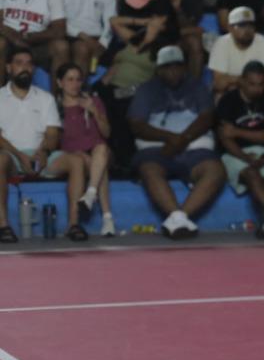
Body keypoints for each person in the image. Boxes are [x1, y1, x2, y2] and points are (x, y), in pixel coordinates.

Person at [128, 45, 226, 238]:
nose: (172, 71)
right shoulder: (147, 89)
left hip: (194, 147)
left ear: (184, 67)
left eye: (177, 66)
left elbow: (207, 117)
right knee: (149, 169)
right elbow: (136, 124)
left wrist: (183, 139)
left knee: (216, 170)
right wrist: (169, 138)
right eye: (167, 67)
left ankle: (179, 218)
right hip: (158, 148)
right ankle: (177, 216)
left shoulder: (197, 86)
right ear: (158, 69)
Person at [0, 49, 88, 242]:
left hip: (41, 154)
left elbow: (52, 133)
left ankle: (74, 224)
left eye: (29, 63)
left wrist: (44, 152)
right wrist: (20, 155)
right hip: (10, 156)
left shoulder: (45, 97)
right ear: (8, 68)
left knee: (76, 161)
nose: (25, 67)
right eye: (19, 62)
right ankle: (3, 226)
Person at [216, 60, 264, 237]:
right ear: (241, 81)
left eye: (260, 84)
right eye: (252, 84)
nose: (257, 89)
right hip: (235, 154)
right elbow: (225, 139)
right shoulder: (227, 101)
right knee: (251, 173)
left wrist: (237, 131)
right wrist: (246, 157)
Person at [53, 62, 117, 237]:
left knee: (101, 150)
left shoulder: (93, 101)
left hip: (98, 151)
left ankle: (90, 194)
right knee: (98, 166)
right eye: (70, 79)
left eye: (78, 80)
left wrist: (94, 111)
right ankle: (107, 217)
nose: (75, 84)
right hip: (73, 155)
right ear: (60, 82)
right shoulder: (54, 106)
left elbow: (107, 132)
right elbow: (55, 142)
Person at [208, 6, 264, 96]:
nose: (247, 30)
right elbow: (219, 83)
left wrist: (236, 81)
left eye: (251, 25)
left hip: (256, 91)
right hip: (230, 92)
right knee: (220, 94)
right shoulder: (221, 43)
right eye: (242, 25)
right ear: (230, 28)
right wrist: (243, 82)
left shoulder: (262, 41)